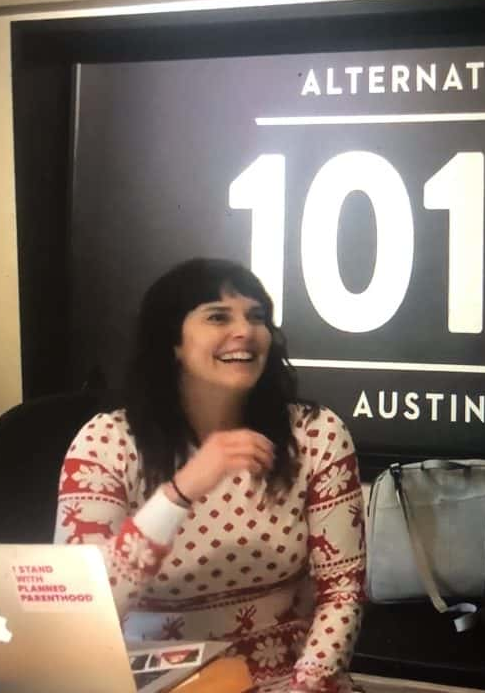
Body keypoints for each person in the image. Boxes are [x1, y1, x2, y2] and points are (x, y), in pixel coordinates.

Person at [55, 258, 366, 693]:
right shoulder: (105, 443)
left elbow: (342, 594)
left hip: (290, 678)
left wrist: (305, 687)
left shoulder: (316, 434)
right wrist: (179, 494)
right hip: (157, 681)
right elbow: (76, 612)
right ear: (173, 343)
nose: (245, 331)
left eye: (256, 317)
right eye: (218, 317)